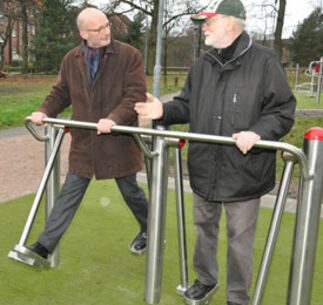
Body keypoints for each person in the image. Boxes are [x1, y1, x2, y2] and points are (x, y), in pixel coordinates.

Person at [135, 0, 296, 304]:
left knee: (239, 240)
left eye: (209, 22)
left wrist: (258, 132)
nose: (204, 28)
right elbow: (186, 105)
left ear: (231, 22)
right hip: (204, 166)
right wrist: (162, 111)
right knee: (204, 229)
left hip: (244, 170)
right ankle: (205, 280)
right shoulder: (202, 64)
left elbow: (282, 111)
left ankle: (237, 298)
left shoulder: (265, 62)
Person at [27, 7, 149, 264]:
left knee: (131, 192)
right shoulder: (71, 60)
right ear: (83, 33)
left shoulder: (129, 56)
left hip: (118, 141)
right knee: (70, 192)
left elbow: (135, 95)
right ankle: (43, 246)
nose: (106, 32)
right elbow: (60, 93)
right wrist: (42, 111)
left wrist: (114, 119)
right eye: (99, 29)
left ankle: (150, 227)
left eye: (107, 26)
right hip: (85, 142)